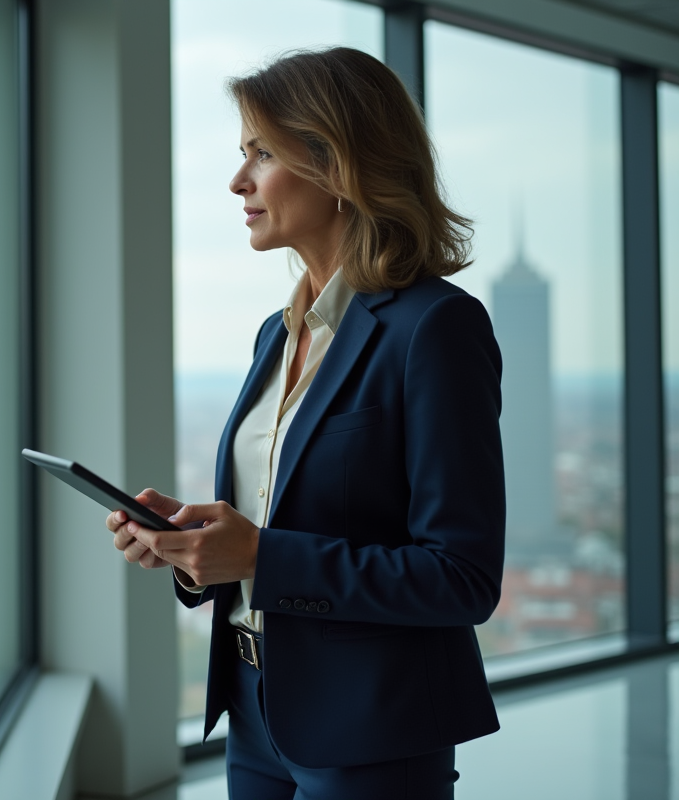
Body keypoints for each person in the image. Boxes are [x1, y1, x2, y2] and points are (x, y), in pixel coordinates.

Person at [107, 48, 504, 799]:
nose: (238, 181)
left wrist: (258, 554)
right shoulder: (278, 334)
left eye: (261, 154)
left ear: (338, 165)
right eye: (241, 155)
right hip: (256, 711)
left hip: (371, 729)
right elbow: (283, 521)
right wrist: (195, 548)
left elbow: (463, 579)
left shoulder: (437, 328)